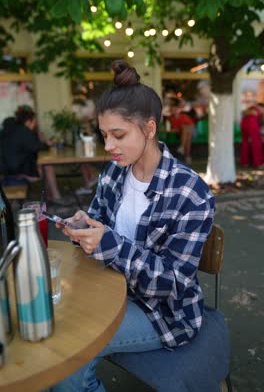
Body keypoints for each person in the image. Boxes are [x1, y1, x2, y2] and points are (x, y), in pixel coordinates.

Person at [53, 60, 215, 392]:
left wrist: (107, 244)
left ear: (150, 129)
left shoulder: (191, 194)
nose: (108, 146)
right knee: (52, 327)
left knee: (69, 353)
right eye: (103, 135)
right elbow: (100, 223)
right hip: (113, 290)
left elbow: (173, 283)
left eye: (118, 135)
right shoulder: (115, 171)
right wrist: (83, 226)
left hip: (164, 314)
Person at [1, 105, 62, 202]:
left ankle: (49, 195)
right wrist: (47, 144)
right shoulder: (24, 131)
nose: (35, 124)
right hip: (16, 170)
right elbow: (35, 147)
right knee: (47, 167)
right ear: (29, 121)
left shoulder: (8, 129)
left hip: (4, 169)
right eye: (34, 121)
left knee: (43, 166)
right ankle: (55, 195)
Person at [169, 98, 197, 164]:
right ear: (171, 111)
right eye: (173, 109)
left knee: (186, 128)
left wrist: (184, 127)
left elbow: (192, 126)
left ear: (178, 110)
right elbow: (174, 129)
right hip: (181, 134)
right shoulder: (171, 119)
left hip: (193, 131)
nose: (175, 111)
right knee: (188, 135)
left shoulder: (183, 116)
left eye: (176, 109)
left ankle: (182, 147)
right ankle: (187, 156)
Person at [240, 103, 264, 168]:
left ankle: (244, 162)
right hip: (252, 124)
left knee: (245, 142)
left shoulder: (251, 109)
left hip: (243, 124)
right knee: (257, 143)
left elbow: (244, 112)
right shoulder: (257, 110)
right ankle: (258, 163)